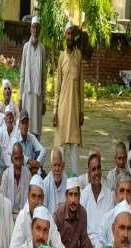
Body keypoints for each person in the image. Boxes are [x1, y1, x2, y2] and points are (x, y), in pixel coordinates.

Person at [8, 175, 73, 248]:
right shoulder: (22, 217)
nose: (36, 201)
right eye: (33, 196)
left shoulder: (47, 218)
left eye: (39, 197)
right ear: (28, 197)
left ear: (43, 198)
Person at [53, 22, 84, 176]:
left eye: (72, 33)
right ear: (65, 36)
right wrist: (54, 110)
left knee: (74, 147)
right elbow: (57, 87)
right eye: (68, 34)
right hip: (62, 109)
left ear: (74, 36)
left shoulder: (79, 56)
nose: (70, 36)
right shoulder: (61, 57)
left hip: (75, 109)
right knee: (62, 146)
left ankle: (74, 180)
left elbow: (81, 87)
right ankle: (62, 179)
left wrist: (82, 111)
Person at [53, 177, 94, 248]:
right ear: (66, 196)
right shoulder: (58, 214)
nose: (73, 200)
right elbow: (52, 246)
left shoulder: (83, 213)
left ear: (79, 196)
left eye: (76, 195)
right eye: (70, 195)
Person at [99, 173, 131, 248]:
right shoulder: (106, 219)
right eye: (121, 191)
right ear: (116, 194)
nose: (125, 197)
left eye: (128, 191)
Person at [19, 16, 47, 139]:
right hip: (27, 95)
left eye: (37, 27)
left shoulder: (42, 50)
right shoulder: (25, 48)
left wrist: (44, 101)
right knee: (26, 127)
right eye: (33, 27)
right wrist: (19, 97)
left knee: (36, 131)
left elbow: (43, 78)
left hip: (38, 97)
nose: (35, 30)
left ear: (40, 30)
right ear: (30, 29)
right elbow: (22, 75)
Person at [81, 152, 114, 248]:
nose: (96, 172)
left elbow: (110, 227)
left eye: (98, 168)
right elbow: (81, 227)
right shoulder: (84, 195)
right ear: (89, 173)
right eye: (93, 169)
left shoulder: (109, 195)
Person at [0, 142, 30, 217]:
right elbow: (2, 200)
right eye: (16, 158)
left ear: (23, 159)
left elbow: (29, 199)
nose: (18, 163)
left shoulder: (27, 174)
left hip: (24, 215)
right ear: (11, 159)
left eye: (20, 158)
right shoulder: (6, 175)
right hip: (9, 215)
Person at [43, 147, 67, 214]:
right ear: (51, 166)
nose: (57, 169)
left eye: (59, 165)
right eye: (54, 165)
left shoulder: (68, 183)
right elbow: (43, 209)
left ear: (63, 166)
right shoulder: (45, 183)